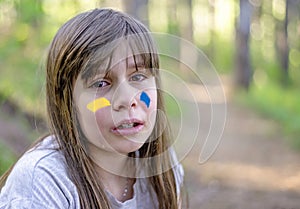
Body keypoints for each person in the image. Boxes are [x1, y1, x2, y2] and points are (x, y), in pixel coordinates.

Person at [0, 8, 185, 209]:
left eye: (138, 76)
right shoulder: (42, 183)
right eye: (101, 83)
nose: (126, 99)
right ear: (67, 101)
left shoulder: (162, 167)